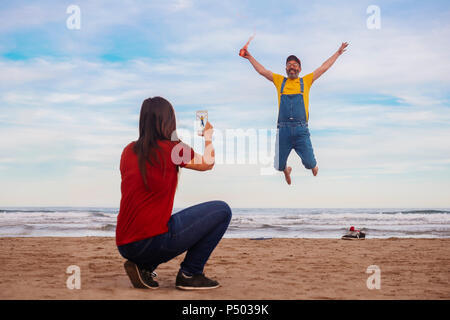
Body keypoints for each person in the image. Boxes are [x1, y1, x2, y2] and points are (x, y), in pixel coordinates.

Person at [116, 96, 232, 290]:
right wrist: (208, 136)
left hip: (124, 244)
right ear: (169, 121)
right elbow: (207, 163)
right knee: (222, 211)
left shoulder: (128, 150)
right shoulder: (173, 149)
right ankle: (190, 273)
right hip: (150, 241)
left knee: (159, 223)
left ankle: (144, 266)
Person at [241, 42, 349, 184]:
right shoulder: (280, 81)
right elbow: (262, 71)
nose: (292, 66)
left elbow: (324, 67)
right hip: (283, 130)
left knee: (310, 164)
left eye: (295, 64)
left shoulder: (306, 81)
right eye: (289, 64)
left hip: (301, 130)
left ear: (299, 68)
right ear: (286, 68)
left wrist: (338, 53)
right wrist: (249, 57)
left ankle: (313, 166)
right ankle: (287, 170)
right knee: (278, 166)